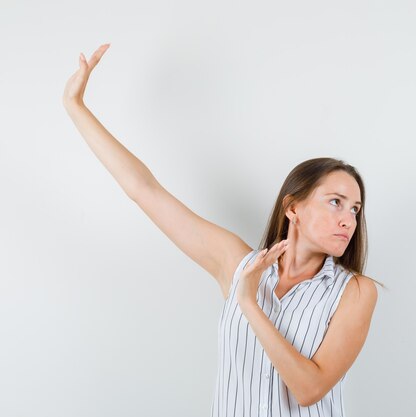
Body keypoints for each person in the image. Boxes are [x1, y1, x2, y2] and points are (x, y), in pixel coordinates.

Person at [63, 43, 381, 417]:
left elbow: (309, 389)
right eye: (335, 202)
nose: (349, 219)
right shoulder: (237, 263)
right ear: (293, 207)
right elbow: (144, 190)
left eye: (355, 209)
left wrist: (248, 302)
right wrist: (75, 106)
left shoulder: (356, 292)